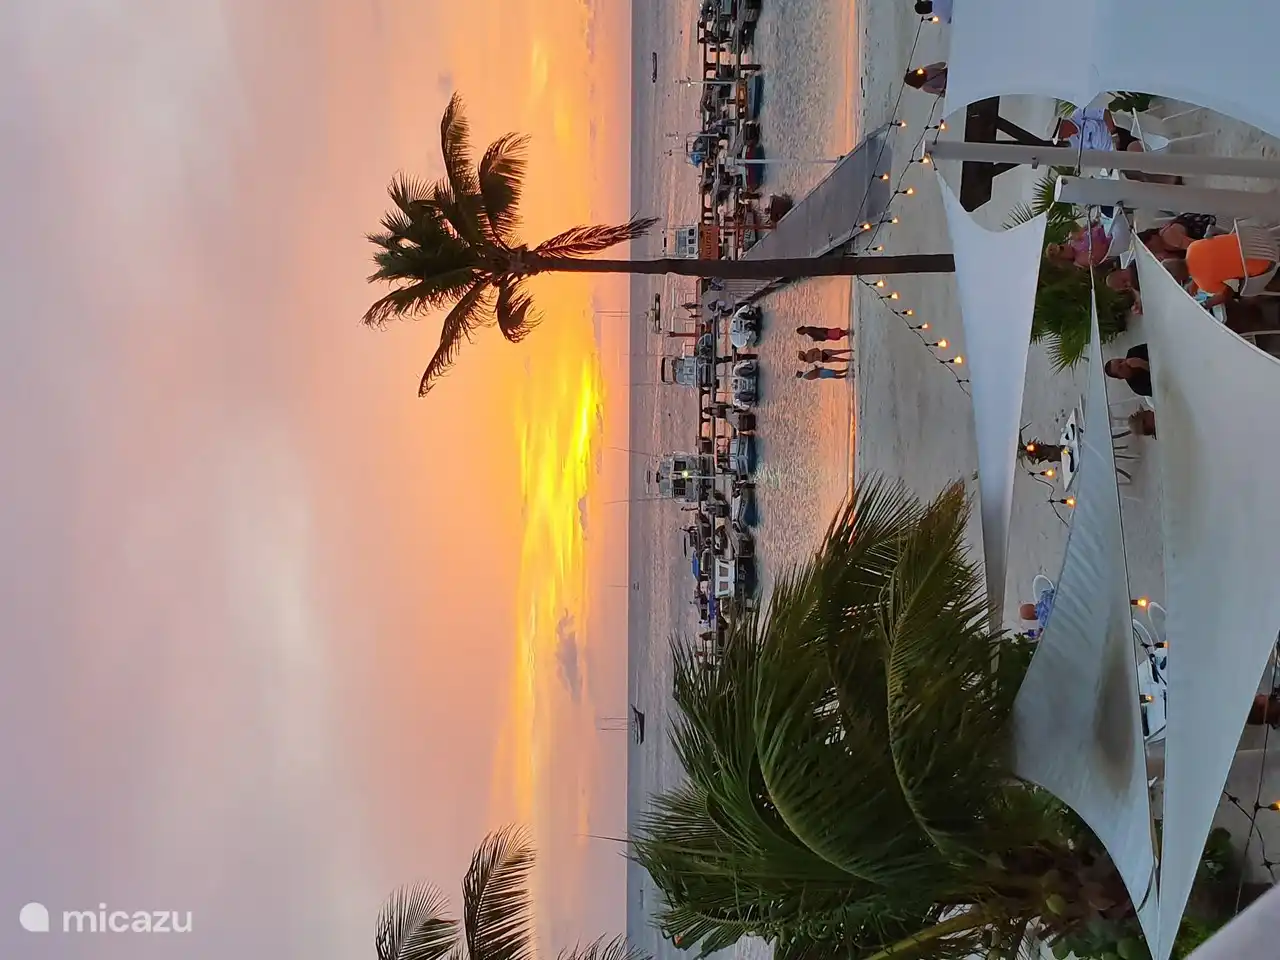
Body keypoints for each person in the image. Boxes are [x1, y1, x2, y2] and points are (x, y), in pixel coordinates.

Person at [1184, 233, 1280, 308]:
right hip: (1259, 239)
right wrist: (1195, 281)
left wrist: (1206, 304)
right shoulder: (1193, 247)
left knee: (1245, 300)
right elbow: (1205, 262)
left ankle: (1274, 287)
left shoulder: (1204, 283)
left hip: (1265, 261)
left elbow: (1228, 292)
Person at [1046, 221, 1112, 269]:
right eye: (1061, 248)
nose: (1064, 245)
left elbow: (1093, 223)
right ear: (1064, 258)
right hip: (1112, 239)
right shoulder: (1080, 260)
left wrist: (1080, 231)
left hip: (1107, 225)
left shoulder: (1073, 240)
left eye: (1060, 244)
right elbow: (1102, 249)